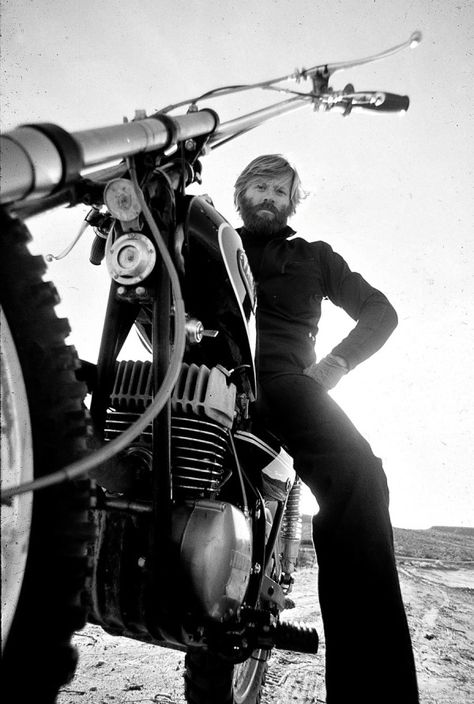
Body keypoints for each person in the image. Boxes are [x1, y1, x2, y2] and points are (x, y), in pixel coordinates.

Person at [233, 154, 419, 704]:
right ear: (241, 193)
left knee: (361, 478)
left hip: (287, 385)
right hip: (204, 375)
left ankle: (371, 692)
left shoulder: (314, 257)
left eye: (280, 190)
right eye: (260, 186)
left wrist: (332, 368)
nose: (269, 196)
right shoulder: (207, 239)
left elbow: (380, 311)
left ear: (294, 202)